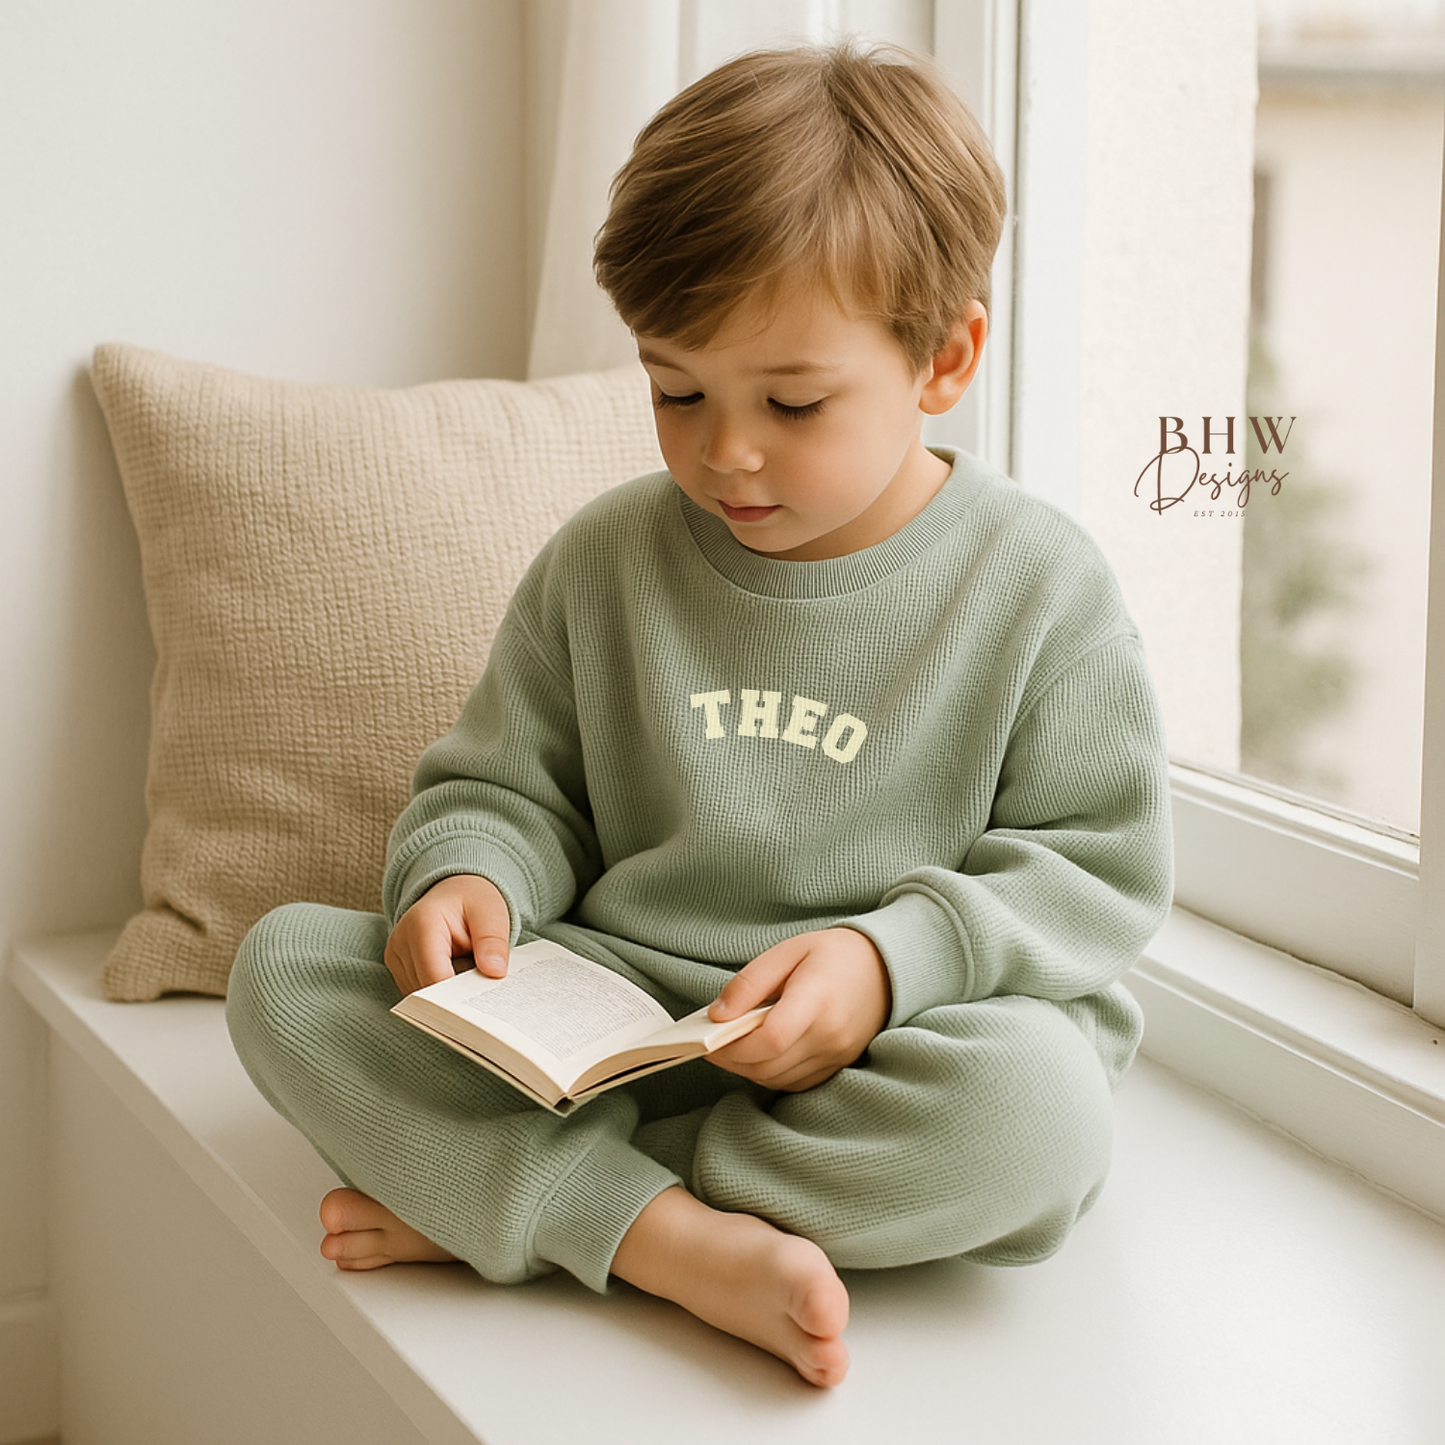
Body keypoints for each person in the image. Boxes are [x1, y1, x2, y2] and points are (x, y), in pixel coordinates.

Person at [226, 41, 1172, 1390]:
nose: (725, 450)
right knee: (283, 971)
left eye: (793, 402)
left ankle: (538, 1203)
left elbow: (1096, 868)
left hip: (886, 1042)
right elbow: (505, 787)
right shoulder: (605, 558)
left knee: (1037, 1116)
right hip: (608, 1022)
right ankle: (644, 1231)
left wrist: (887, 961)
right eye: (677, 390)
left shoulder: (1038, 586)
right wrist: (469, 878)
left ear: (945, 357)